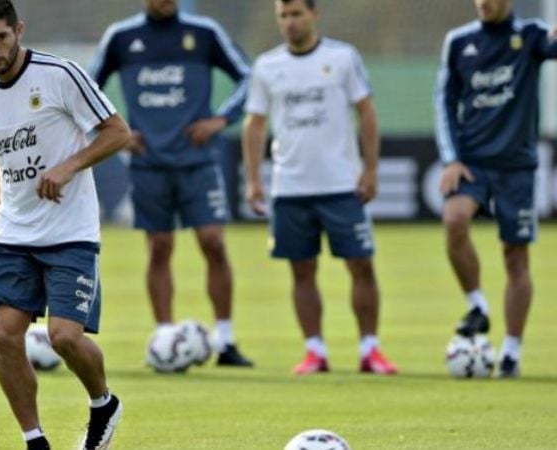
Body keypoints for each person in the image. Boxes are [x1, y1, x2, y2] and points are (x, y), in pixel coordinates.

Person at [0, 1, 130, 448]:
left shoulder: (60, 75)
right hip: (12, 237)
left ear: (19, 31)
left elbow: (117, 132)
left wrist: (68, 167)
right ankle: (35, 440)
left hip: (71, 232)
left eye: (1, 37)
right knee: (5, 335)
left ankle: (102, 402)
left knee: (64, 338)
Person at [89, 0, 253, 367]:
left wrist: (221, 119)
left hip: (197, 161)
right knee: (159, 247)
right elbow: (85, 89)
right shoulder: (121, 36)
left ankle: (225, 341)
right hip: (148, 163)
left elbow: (249, 76)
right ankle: (165, 339)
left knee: (213, 242)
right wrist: (115, 132)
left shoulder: (205, 33)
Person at [242, 0, 398, 375]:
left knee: (361, 264)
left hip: (342, 184)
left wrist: (371, 169)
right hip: (291, 187)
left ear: (314, 14)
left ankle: (370, 349)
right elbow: (255, 125)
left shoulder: (343, 58)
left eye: (296, 14)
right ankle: (315, 351)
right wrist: (253, 180)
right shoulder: (267, 66)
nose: (289, 23)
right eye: (282, 16)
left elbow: (367, 113)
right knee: (302, 270)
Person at [435, 0, 557, 378]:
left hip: (516, 167)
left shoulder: (531, 36)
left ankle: (511, 353)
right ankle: (478, 306)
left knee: (515, 257)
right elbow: (444, 100)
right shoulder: (459, 42)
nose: (483, 3)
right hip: (471, 163)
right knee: (454, 220)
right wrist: (451, 157)